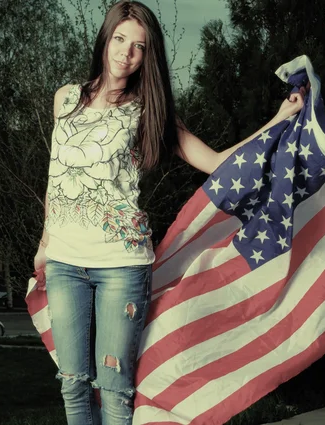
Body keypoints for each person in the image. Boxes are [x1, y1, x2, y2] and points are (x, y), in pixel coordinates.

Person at [33, 1, 307, 424]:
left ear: (147, 56)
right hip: (66, 261)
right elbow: (56, 177)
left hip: (121, 266)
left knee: (115, 391)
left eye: (138, 46)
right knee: (72, 384)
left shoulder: (148, 110)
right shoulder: (66, 98)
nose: (125, 52)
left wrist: (278, 119)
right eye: (119, 39)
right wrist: (44, 245)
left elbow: (217, 163)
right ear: (105, 40)